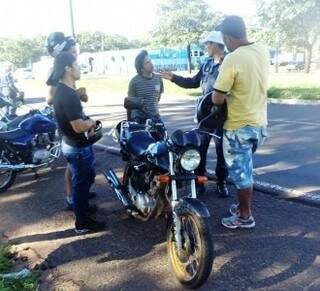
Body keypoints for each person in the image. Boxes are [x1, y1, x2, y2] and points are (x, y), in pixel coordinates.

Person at [211, 16, 269, 229]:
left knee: (242, 175)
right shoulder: (262, 50)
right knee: (246, 170)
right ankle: (242, 205)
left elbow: (217, 97)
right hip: (259, 125)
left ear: (227, 37)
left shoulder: (233, 58)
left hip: (238, 128)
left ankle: (245, 216)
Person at [161, 31, 228, 197]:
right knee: (200, 150)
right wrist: (174, 78)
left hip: (222, 115)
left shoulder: (228, 62)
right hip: (205, 115)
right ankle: (200, 182)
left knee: (222, 152)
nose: (205, 47)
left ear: (215, 44)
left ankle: (221, 182)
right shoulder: (206, 64)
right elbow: (193, 82)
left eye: (207, 44)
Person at [52, 51, 105, 233]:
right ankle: (82, 222)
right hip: (76, 146)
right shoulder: (66, 94)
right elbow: (77, 126)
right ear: (68, 68)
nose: (79, 68)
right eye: (76, 65)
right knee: (81, 182)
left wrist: (79, 95)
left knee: (87, 177)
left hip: (75, 144)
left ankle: (81, 206)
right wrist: (91, 122)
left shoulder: (65, 90)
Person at [46, 32, 95, 211]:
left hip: (75, 114)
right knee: (73, 164)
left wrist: (80, 94)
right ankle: (71, 197)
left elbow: (76, 96)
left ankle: (80, 194)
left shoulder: (70, 70)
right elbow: (50, 98)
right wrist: (73, 95)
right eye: (73, 53)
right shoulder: (58, 69)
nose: (76, 56)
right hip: (68, 123)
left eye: (76, 52)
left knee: (83, 169)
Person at [127, 50, 163, 123]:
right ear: (141, 68)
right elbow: (129, 104)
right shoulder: (134, 82)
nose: (151, 64)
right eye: (147, 63)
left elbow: (157, 98)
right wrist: (129, 122)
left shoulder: (158, 78)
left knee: (164, 133)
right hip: (139, 120)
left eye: (150, 61)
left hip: (155, 117)